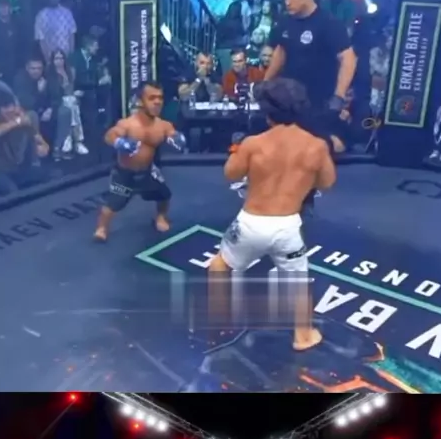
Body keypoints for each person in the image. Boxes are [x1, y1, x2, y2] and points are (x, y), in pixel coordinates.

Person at [208, 78, 336, 351]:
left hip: (250, 223)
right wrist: (300, 176)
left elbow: (230, 174)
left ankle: (218, 320)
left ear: (267, 113)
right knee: (298, 284)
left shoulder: (253, 144)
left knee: (219, 266)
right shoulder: (316, 146)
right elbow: (327, 183)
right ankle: (303, 336)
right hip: (287, 228)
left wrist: (238, 151)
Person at [265, 0, 357, 152]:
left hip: (318, 100)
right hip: (290, 101)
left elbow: (348, 58)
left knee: (323, 146)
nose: (287, 2)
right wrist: (265, 83)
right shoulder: (285, 21)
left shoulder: (328, 23)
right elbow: (281, 51)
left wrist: (338, 96)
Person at [93, 82, 186, 241]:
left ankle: (160, 217)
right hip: (124, 173)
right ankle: (101, 228)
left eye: (160, 98)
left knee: (164, 195)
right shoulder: (128, 124)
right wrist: (120, 142)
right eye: (152, 98)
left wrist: (178, 139)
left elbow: (173, 134)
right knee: (113, 204)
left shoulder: (163, 125)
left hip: (147, 171)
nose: (157, 102)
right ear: (140, 101)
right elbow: (110, 135)